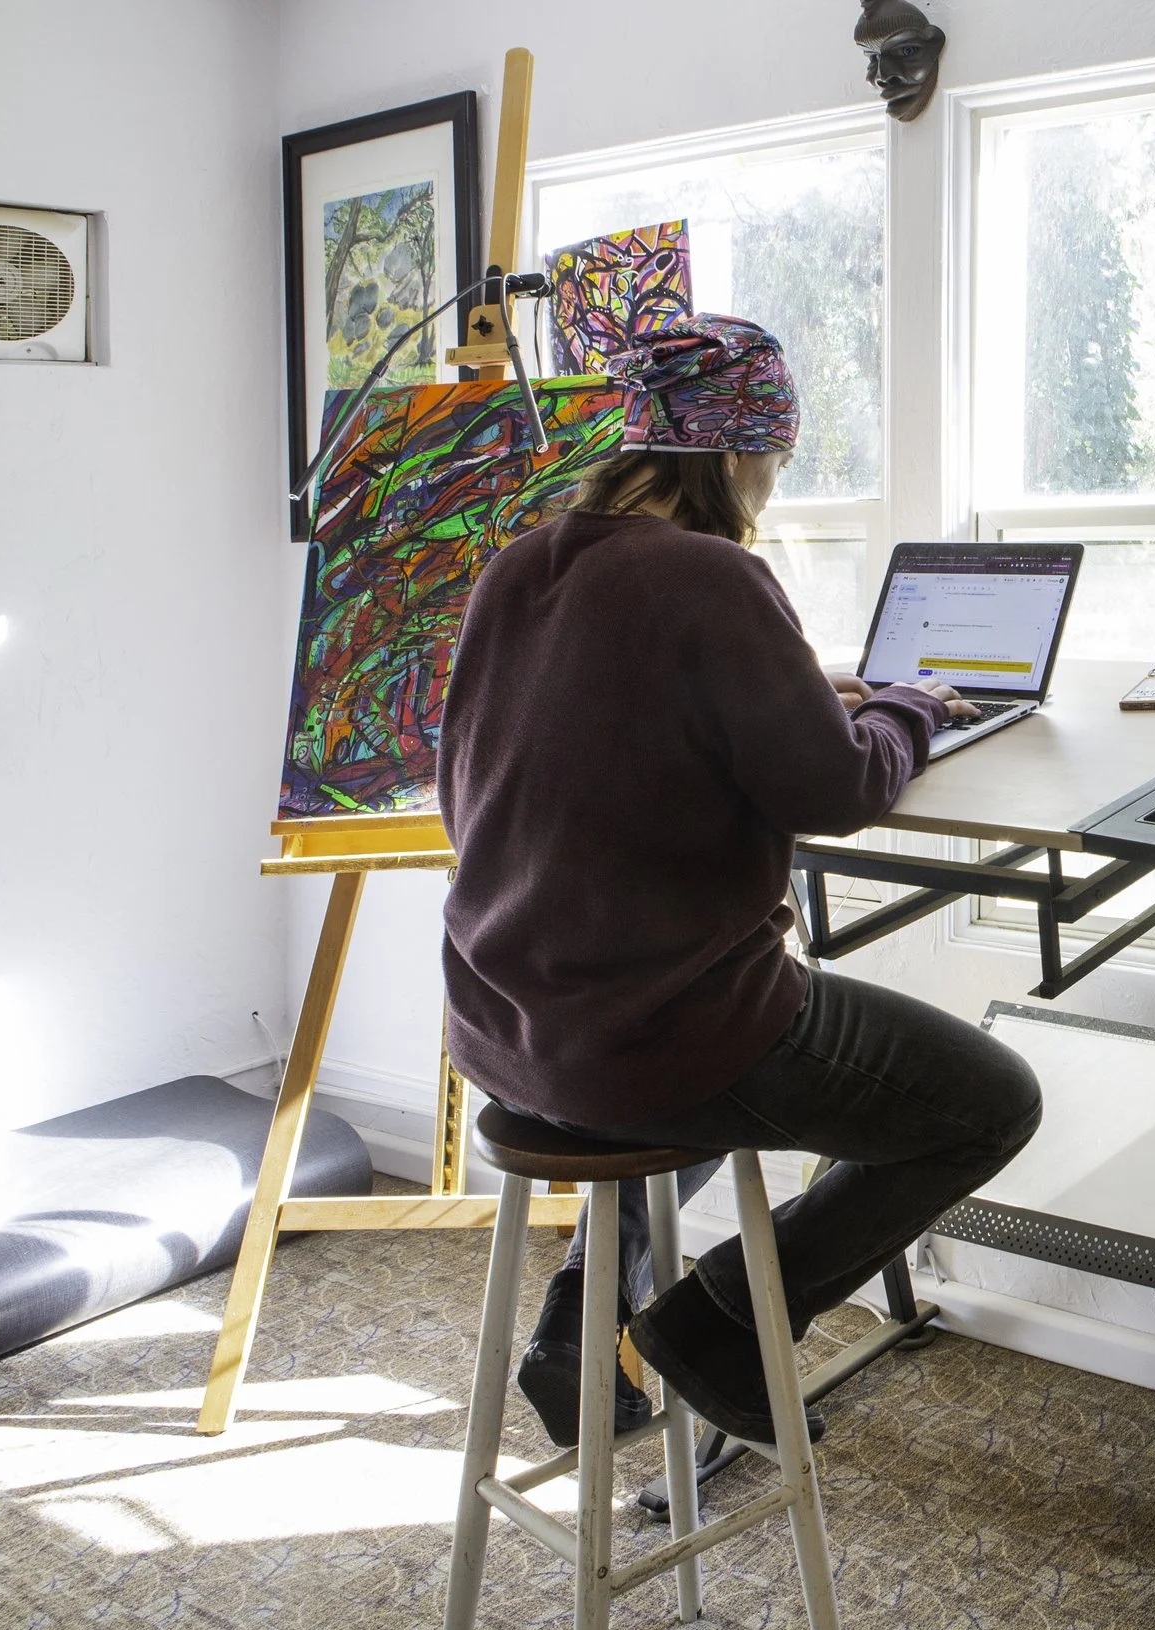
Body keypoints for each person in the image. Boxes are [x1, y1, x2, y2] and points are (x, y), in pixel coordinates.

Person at [438, 314, 1042, 1448]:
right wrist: (908, 704)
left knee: (703, 1073)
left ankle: (581, 1319)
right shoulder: (712, 576)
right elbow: (838, 790)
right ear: (728, 455)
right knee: (992, 1102)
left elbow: (501, 771)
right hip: (650, 1039)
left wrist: (804, 691)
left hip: (510, 1026)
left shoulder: (520, 564)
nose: (771, 484)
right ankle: (719, 1323)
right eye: (772, 459)